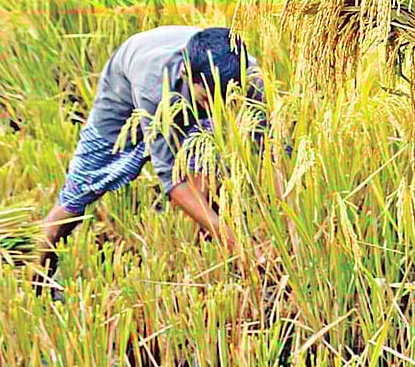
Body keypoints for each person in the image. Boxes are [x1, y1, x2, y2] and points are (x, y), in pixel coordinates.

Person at [39, 26, 269, 280]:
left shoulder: (244, 73)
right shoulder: (154, 87)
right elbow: (173, 180)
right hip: (124, 104)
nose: (216, 109)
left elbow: (271, 152)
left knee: (204, 175)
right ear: (186, 75)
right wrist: (235, 241)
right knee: (78, 195)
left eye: (224, 99)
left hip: (187, 96)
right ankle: (38, 277)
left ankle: (210, 266)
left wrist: (292, 228)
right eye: (208, 100)